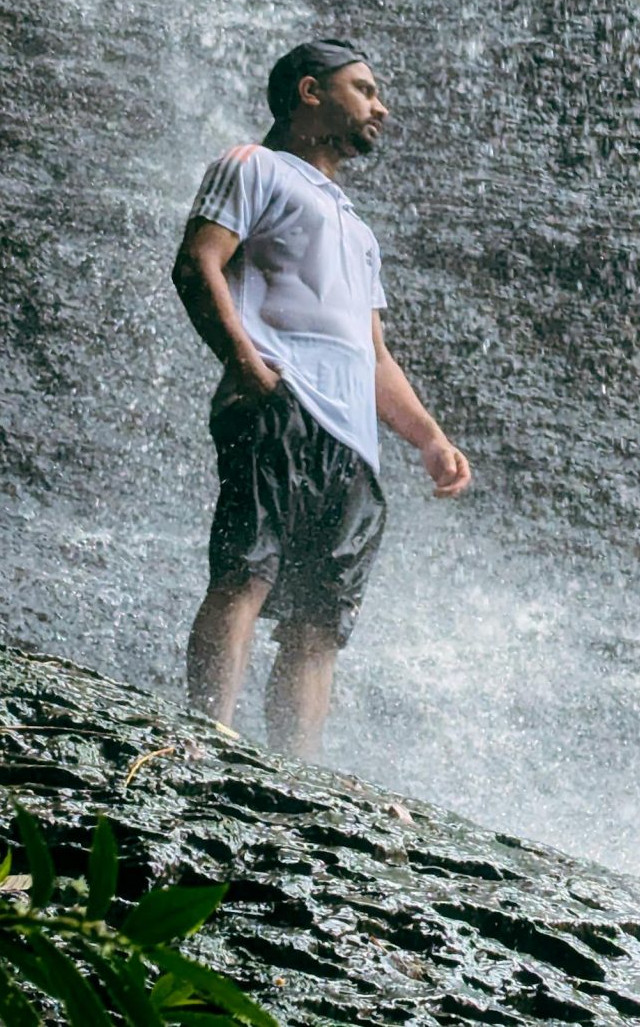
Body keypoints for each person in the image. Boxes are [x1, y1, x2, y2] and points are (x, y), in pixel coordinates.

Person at [173, 39, 471, 756]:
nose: (381, 107)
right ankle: (207, 737)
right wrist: (248, 368)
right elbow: (198, 262)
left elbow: (374, 354)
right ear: (311, 91)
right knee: (246, 570)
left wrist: (428, 437)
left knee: (320, 620)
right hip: (280, 405)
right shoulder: (254, 166)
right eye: (364, 89)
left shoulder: (358, 229)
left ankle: (293, 776)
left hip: (351, 441)